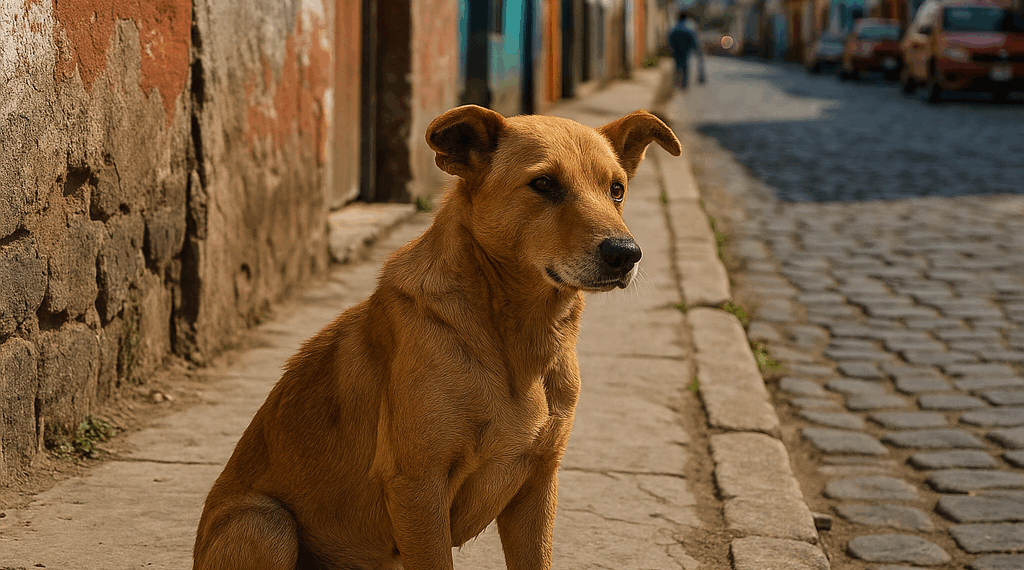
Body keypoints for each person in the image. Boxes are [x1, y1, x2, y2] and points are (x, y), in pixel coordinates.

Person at [668, 11, 704, 89]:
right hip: (686, 50)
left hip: (676, 50)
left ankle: (676, 83)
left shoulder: (675, 27)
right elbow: (693, 39)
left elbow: (670, 38)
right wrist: (696, 49)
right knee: (685, 66)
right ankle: (684, 84)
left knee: (677, 65)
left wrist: (670, 47)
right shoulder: (688, 28)